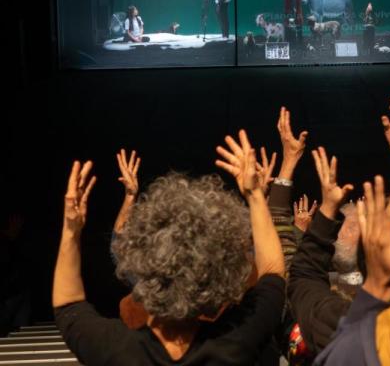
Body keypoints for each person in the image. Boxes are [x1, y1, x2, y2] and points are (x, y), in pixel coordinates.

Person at [53, 131, 286, 365]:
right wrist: (254, 194)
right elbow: (273, 272)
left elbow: (68, 305)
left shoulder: (116, 349)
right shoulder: (237, 343)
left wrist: (71, 230)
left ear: (140, 264)